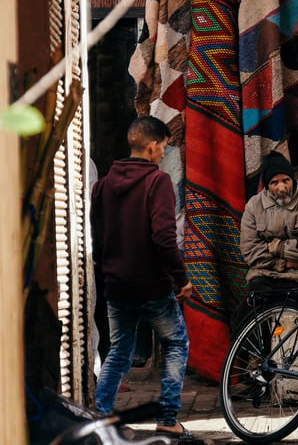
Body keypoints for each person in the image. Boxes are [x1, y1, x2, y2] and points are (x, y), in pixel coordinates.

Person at [91, 116, 193, 437]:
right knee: (177, 342)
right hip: (151, 285)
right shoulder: (157, 182)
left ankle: (101, 417)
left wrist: (108, 270)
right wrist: (181, 278)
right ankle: (167, 419)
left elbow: (98, 234)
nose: (164, 153)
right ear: (151, 147)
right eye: (162, 147)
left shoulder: (104, 184)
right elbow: (164, 238)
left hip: (116, 284)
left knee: (119, 350)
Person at [240, 151, 298, 292]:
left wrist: (275, 247)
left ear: (293, 179)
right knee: (249, 312)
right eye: (274, 182)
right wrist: (285, 263)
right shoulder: (254, 206)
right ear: (266, 185)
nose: (282, 188)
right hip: (263, 275)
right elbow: (250, 252)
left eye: (286, 180)